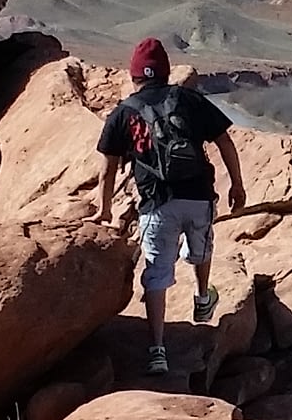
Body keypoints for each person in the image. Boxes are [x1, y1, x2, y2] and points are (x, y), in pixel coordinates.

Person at [95, 38, 246, 374]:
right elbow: (224, 139)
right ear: (164, 72)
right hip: (198, 197)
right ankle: (203, 297)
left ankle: (158, 351)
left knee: (157, 274)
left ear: (134, 75)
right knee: (201, 250)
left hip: (156, 204)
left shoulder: (124, 113)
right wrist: (237, 184)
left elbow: (107, 167)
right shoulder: (187, 99)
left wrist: (104, 209)